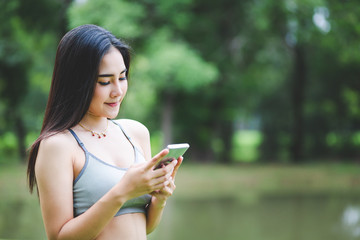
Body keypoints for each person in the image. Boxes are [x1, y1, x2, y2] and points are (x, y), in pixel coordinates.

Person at [27, 24, 182, 240]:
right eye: (105, 81)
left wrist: (160, 198)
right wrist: (123, 191)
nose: (117, 91)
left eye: (122, 77)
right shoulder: (58, 145)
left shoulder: (135, 133)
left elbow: (144, 226)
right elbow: (59, 237)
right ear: (77, 82)